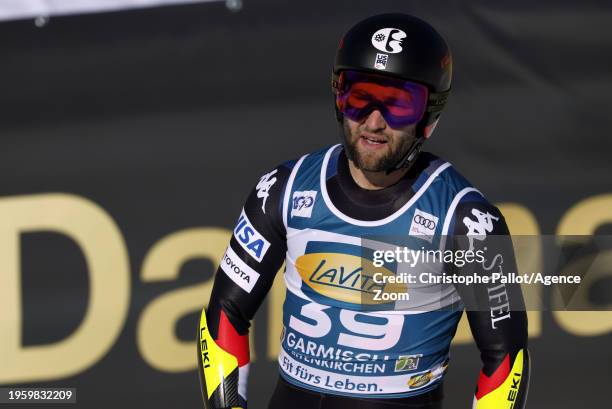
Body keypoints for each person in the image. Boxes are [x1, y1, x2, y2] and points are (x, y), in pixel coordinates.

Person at [197, 13, 530, 409]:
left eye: (398, 105)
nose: (373, 122)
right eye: (360, 97)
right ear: (339, 98)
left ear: (429, 117)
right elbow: (226, 311)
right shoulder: (282, 189)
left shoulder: (469, 221)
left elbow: (506, 358)